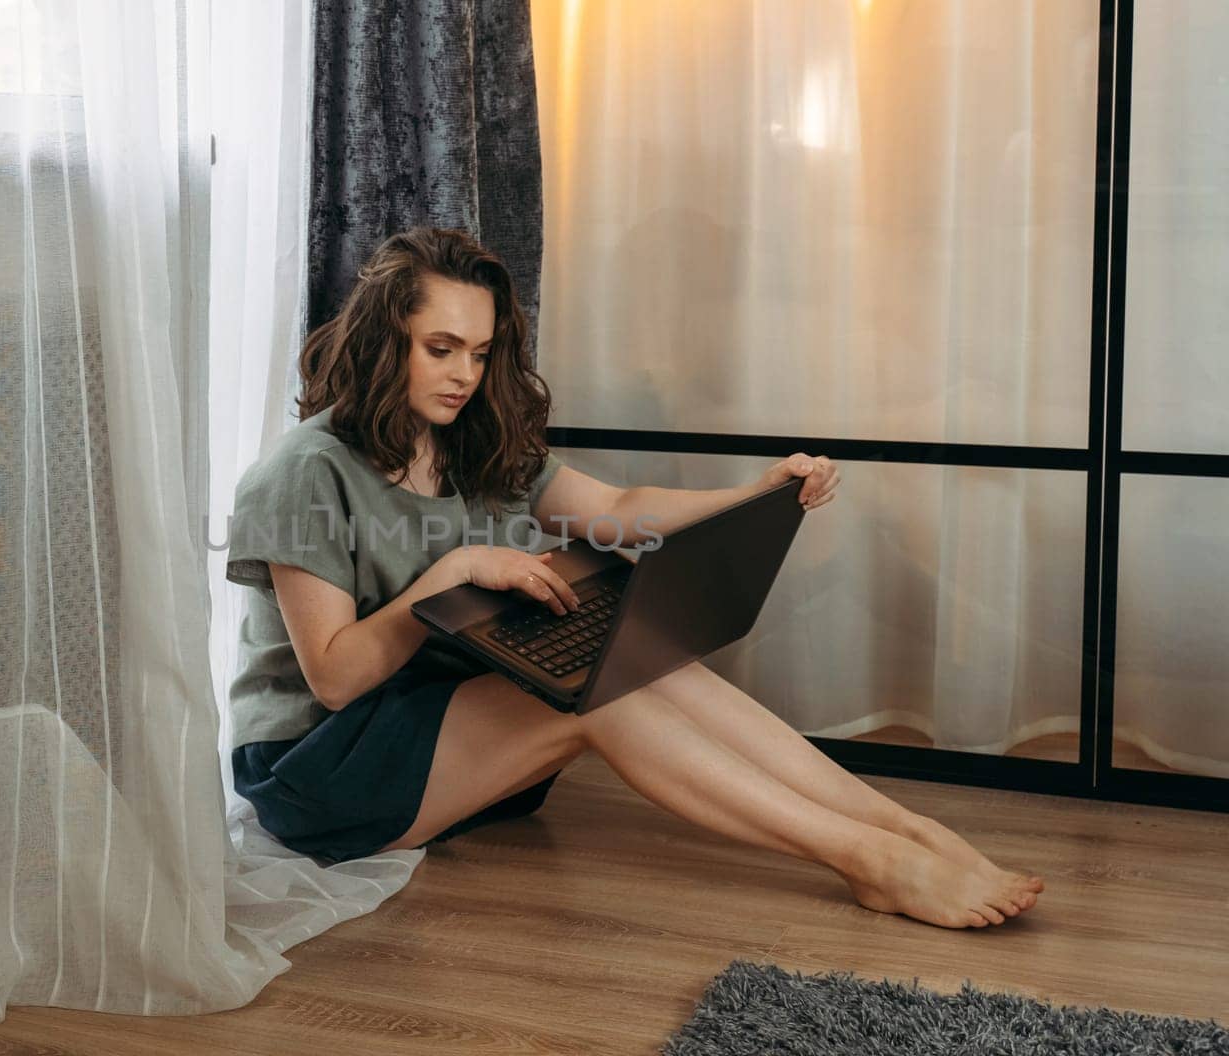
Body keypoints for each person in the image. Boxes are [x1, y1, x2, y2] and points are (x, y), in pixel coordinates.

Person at [224, 227, 1044, 929]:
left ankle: (903, 826)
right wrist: (459, 569)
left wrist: (754, 496)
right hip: (322, 767)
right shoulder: (304, 475)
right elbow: (333, 679)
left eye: (479, 353)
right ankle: (869, 861)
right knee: (598, 699)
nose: (465, 375)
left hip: (438, 721)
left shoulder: (471, 439)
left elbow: (618, 506)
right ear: (383, 340)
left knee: (646, 656)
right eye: (440, 349)